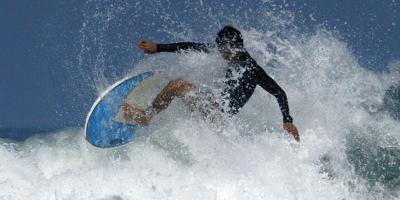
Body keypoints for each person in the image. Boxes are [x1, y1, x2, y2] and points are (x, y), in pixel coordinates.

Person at [123, 26, 300, 142]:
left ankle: (146, 116)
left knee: (177, 85)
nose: (220, 52)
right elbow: (190, 46)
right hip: (213, 109)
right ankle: (152, 111)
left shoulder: (252, 69)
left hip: (218, 115)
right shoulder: (225, 54)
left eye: (223, 48)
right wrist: (159, 47)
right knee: (177, 83)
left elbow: (279, 92)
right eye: (220, 48)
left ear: (236, 47)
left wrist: (287, 120)